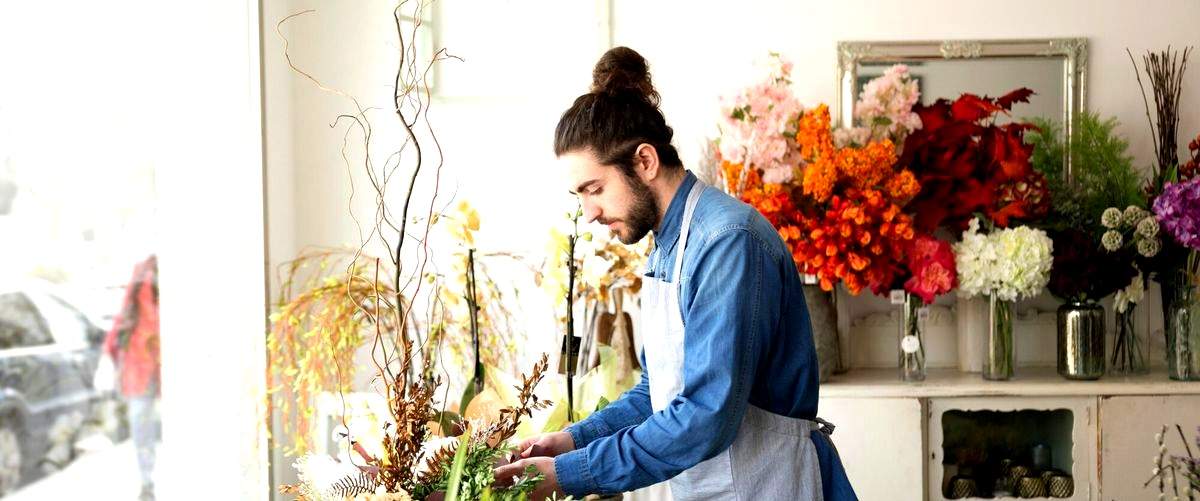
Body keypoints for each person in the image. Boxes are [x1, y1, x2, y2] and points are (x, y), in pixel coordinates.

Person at [494, 47, 858, 500]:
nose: (588, 213)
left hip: (765, 486)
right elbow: (657, 393)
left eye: (595, 189)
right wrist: (572, 440)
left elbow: (706, 415)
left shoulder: (726, 241)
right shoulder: (667, 245)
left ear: (644, 161)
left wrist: (568, 474)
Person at [103, 254, 160, 501]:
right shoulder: (144, 269)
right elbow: (126, 311)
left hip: (166, 363)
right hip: (141, 363)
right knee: (141, 424)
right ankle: (147, 481)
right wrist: (110, 351)